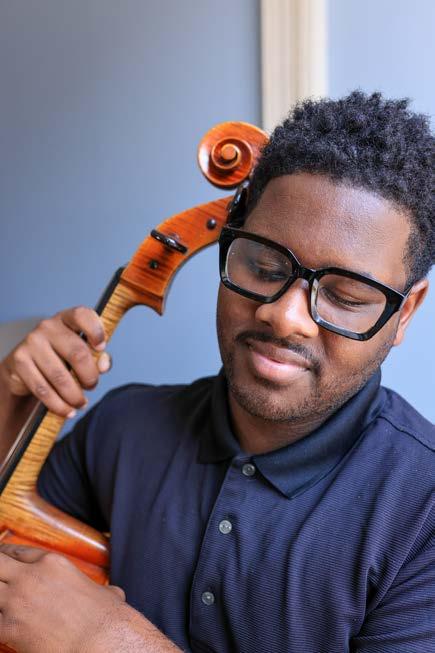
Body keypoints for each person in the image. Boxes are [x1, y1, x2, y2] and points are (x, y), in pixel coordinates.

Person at [0, 90, 434, 653]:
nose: (284, 316)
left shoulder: (423, 511)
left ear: (404, 314)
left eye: (345, 296)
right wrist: (11, 399)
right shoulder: (124, 426)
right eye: (264, 266)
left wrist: (108, 641)